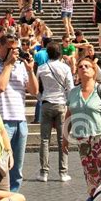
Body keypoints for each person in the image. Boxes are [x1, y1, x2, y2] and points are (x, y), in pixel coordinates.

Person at [0, 33, 38, 201]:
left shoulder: (21, 66)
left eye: (16, 48)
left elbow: (34, 91)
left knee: (17, 169)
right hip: (1, 123)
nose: (14, 52)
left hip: (20, 121)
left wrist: (30, 70)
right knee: (0, 168)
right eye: (9, 48)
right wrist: (7, 64)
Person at [63, 58, 101, 196]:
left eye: (87, 66)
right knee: (90, 176)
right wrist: (65, 136)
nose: (84, 68)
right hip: (83, 140)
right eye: (81, 66)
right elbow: (68, 115)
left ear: (94, 71)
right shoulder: (73, 92)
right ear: (77, 71)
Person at [36, 42, 74, 183]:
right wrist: (69, 104)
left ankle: (43, 172)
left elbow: (36, 87)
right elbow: (70, 87)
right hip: (61, 104)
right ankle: (63, 172)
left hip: (46, 103)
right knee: (62, 139)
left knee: (44, 140)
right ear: (60, 54)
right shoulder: (65, 68)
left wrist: (41, 99)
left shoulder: (41, 68)